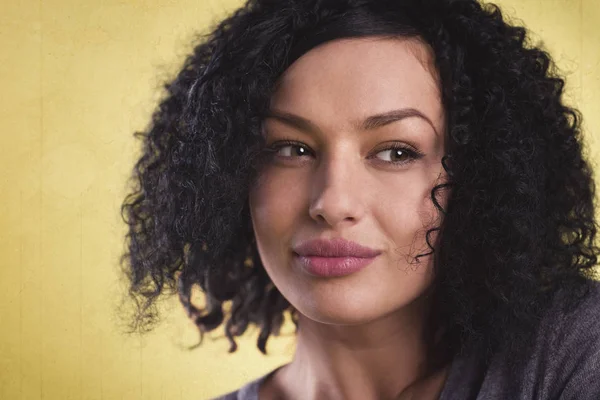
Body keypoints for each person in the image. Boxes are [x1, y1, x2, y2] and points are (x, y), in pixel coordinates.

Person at [119, 0, 600, 399]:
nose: (332, 201)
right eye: (291, 149)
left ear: (479, 177)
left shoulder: (573, 352)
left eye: (396, 152)